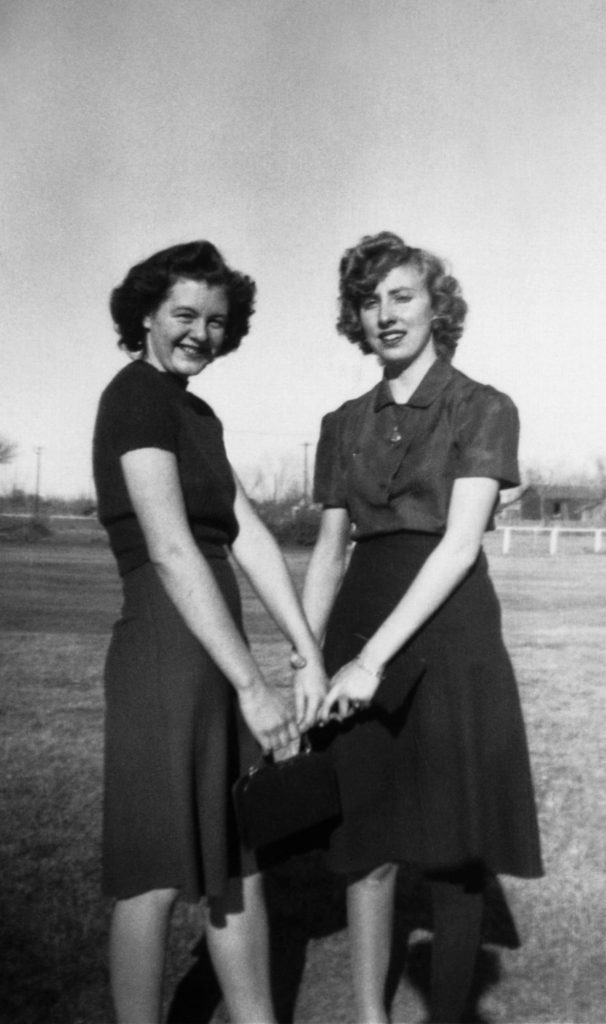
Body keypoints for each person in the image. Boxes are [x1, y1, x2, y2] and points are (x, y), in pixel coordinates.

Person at [303, 231, 543, 1023]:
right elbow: (331, 550)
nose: (384, 314)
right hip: (360, 625)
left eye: (401, 296)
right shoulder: (342, 423)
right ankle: (370, 1017)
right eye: (368, 303)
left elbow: (459, 543)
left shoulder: (484, 407)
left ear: (437, 305)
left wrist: (372, 659)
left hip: (449, 635)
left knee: (451, 856)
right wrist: (309, 660)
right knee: (365, 845)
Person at [92, 240, 327, 1024]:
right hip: (165, 648)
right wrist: (253, 684)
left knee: (237, 860)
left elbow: (246, 532)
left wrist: (304, 643)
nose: (201, 332)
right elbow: (168, 546)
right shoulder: (134, 397)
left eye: (217, 321)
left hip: (210, 642)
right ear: (148, 317)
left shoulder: (196, 412)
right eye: (185, 315)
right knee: (155, 874)